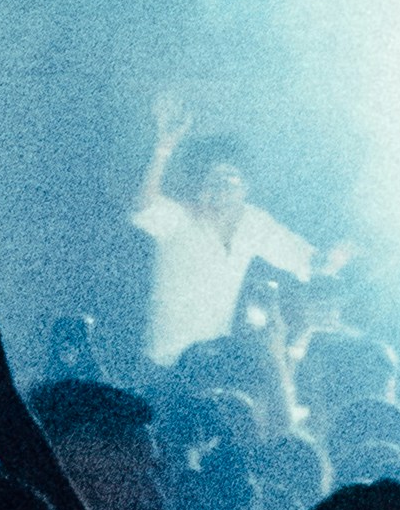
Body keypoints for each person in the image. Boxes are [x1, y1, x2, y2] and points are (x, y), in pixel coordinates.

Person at [129, 114, 345, 367]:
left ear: (246, 186)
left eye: (229, 179)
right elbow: (143, 208)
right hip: (163, 358)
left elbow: (305, 260)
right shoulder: (178, 217)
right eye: (211, 180)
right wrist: (163, 150)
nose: (220, 189)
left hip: (213, 361)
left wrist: (335, 259)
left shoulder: (254, 223)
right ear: (200, 185)